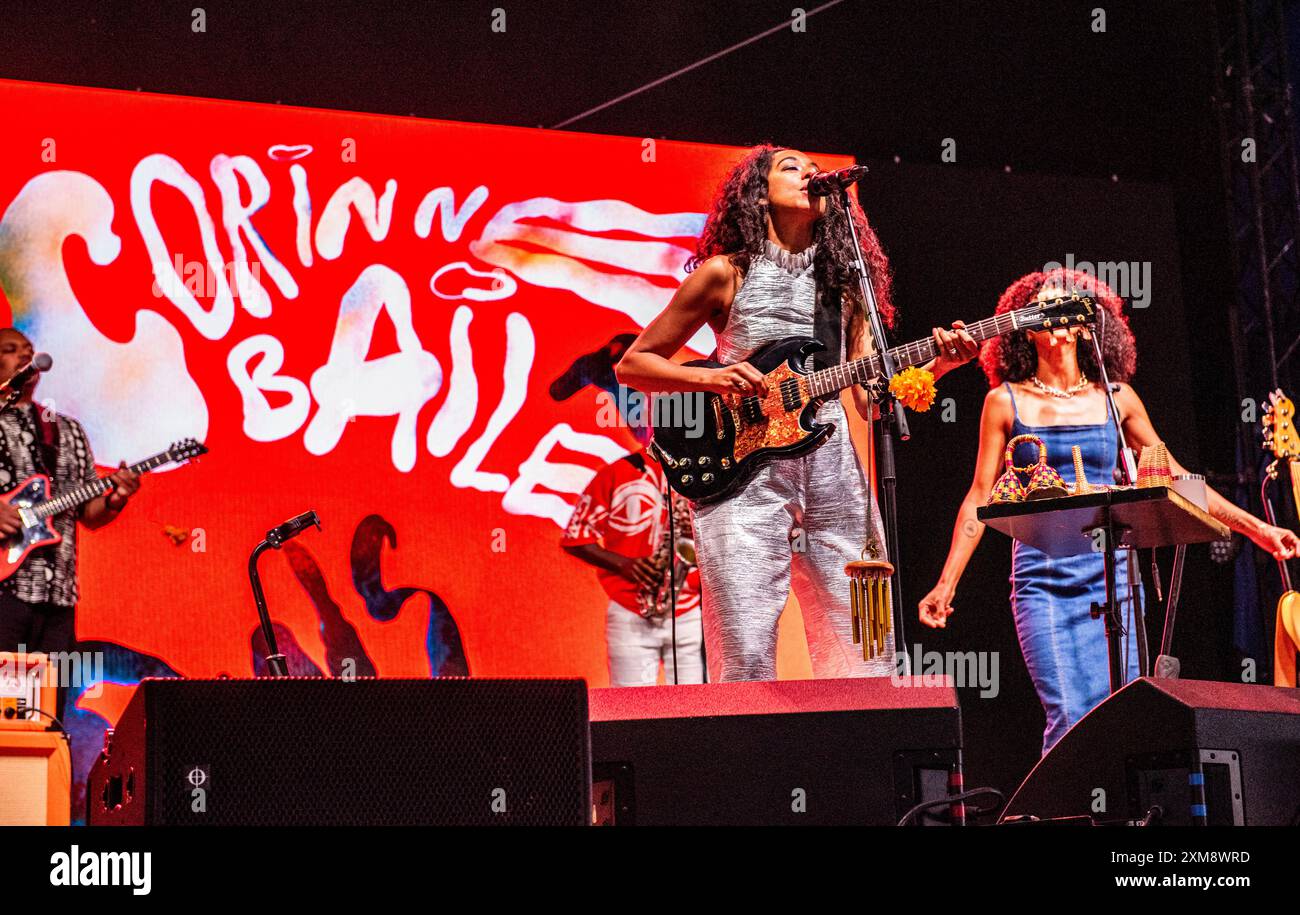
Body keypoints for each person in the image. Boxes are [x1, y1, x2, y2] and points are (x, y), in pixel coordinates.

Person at [616, 145, 978, 681]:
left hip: (836, 477)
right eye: (793, 167)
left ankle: (864, 759)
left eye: (815, 169)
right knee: (745, 654)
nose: (811, 173)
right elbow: (634, 364)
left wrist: (941, 367)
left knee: (866, 645)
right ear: (758, 193)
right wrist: (714, 376)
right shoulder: (724, 274)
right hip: (743, 475)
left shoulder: (846, 283)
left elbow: (866, 399)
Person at [918, 268, 1300, 752]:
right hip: (1044, 579)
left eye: (1064, 306)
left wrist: (1258, 530)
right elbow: (979, 496)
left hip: (1114, 576)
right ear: (1025, 327)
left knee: (1121, 713)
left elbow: (1178, 478)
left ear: (1084, 325)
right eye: (1040, 307)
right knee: (1070, 715)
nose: (1053, 315)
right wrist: (946, 583)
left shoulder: (1117, 400)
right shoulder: (1003, 401)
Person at [0, 327, 140, 722]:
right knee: (3, 707)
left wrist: (117, 496)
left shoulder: (69, 431)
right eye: (11, 351)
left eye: (29, 350)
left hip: (58, 594)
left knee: (45, 712)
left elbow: (91, 516)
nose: (25, 356)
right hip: (5, 590)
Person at [562, 446, 704, 686]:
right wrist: (623, 564)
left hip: (690, 612)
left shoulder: (704, 472)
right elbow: (575, 538)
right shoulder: (616, 473)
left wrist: (700, 530)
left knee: (697, 711)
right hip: (630, 611)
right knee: (631, 711)